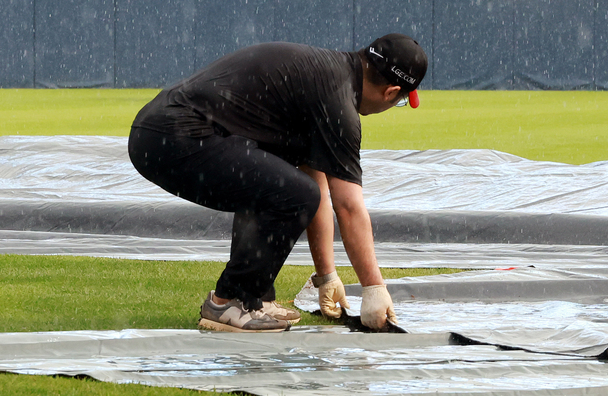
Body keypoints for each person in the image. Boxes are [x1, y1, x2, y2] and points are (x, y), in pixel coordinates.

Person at [128, 34, 428, 332]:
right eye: (401, 102)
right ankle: (230, 300)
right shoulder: (338, 101)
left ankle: (255, 298)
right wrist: (374, 288)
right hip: (174, 137)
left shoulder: (330, 77)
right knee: (291, 195)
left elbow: (316, 185)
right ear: (392, 92)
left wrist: (327, 276)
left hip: (158, 132)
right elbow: (347, 206)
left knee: (277, 185)